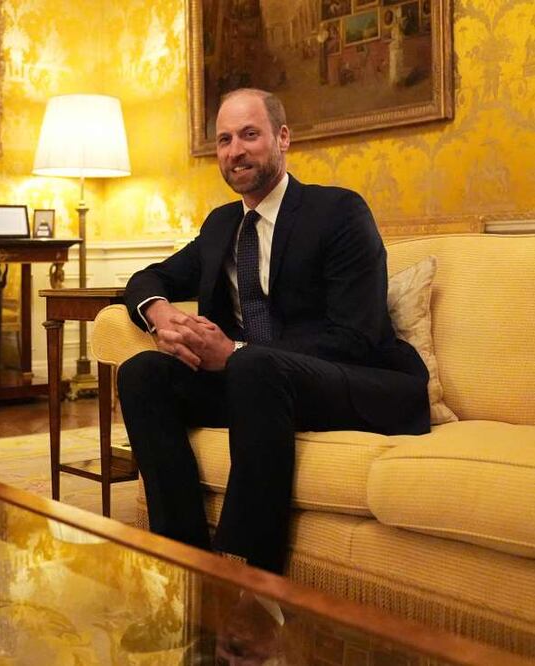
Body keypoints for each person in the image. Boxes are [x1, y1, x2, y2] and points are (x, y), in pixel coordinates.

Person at [118, 89, 429, 574]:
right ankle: (182, 560)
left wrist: (235, 350)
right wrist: (160, 315)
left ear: (282, 138)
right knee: (143, 373)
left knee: (252, 364)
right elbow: (148, 278)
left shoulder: (339, 212)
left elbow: (357, 335)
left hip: (355, 380)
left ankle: (247, 572)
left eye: (249, 134)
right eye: (224, 139)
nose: (235, 150)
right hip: (257, 385)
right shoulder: (222, 225)